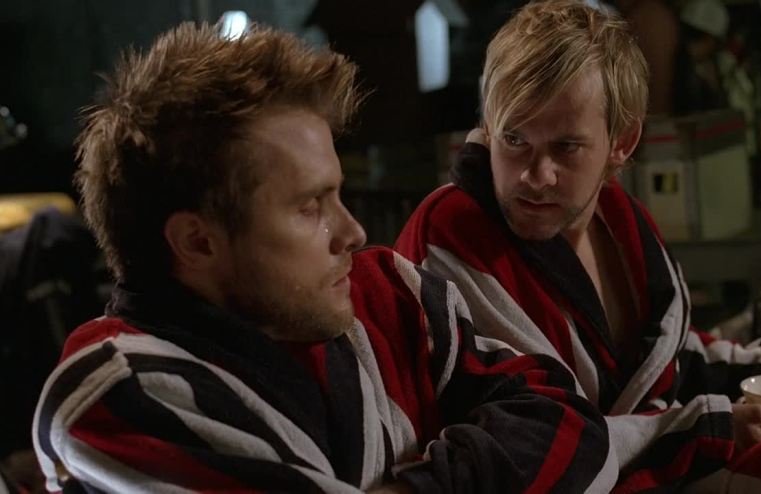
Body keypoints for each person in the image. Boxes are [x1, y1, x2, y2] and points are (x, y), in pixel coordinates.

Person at [31, 22, 616, 493]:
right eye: (311, 207)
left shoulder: (390, 296)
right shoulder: (116, 395)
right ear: (197, 242)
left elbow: (569, 424)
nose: (353, 232)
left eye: (338, 194)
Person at [395, 1, 761, 491]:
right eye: (514, 139)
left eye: (565, 147)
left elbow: (667, 365)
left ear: (622, 142)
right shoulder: (451, 238)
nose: (535, 176)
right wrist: (700, 428)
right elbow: (538, 443)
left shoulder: (622, 219)